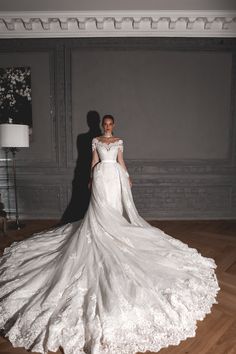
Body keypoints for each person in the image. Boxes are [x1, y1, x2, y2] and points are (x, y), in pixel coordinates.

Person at [0, 114, 220, 354]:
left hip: (114, 177)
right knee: (97, 212)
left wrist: (127, 177)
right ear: (100, 125)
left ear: (113, 125)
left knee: (114, 211)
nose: (106, 127)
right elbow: (93, 161)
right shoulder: (94, 140)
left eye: (109, 124)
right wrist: (90, 179)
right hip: (101, 177)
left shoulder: (119, 141)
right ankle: (100, 232)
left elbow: (121, 161)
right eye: (104, 124)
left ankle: (114, 232)